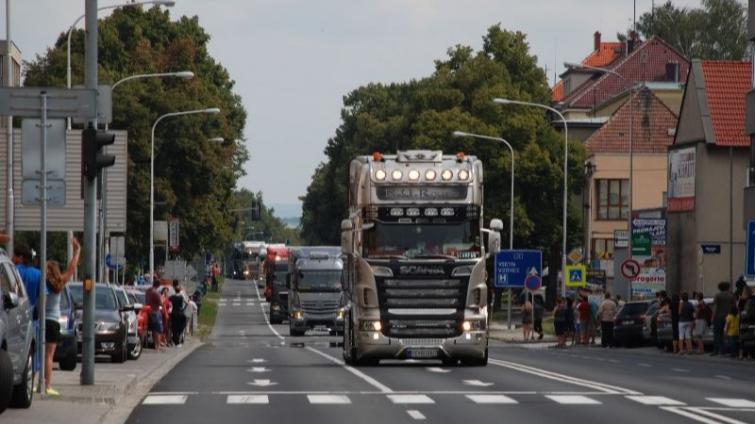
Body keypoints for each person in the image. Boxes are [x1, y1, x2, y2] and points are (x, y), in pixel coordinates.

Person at [43, 238, 80, 396]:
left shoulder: (43, 282)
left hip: (42, 320)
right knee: (50, 355)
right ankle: (47, 385)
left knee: (39, 354)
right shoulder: (60, 283)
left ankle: (36, 383)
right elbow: (71, 268)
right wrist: (77, 250)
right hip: (54, 321)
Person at [13, 244, 42, 385]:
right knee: (31, 348)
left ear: (21, 258)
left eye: (15, 255)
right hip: (31, 316)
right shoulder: (38, 274)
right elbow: (40, 297)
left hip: (14, 314)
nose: (13, 258)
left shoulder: (15, 271)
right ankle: (31, 379)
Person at [711, 282, 734, 356]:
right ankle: (727, 350)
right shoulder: (731, 296)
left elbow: (715, 307)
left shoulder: (717, 295)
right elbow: (735, 306)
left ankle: (716, 350)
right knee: (729, 333)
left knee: (717, 334)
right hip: (729, 316)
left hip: (718, 317)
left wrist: (713, 317)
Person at [145, 279, 165, 352]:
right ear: (158, 285)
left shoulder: (148, 291)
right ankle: (158, 346)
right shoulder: (156, 293)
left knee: (153, 330)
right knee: (158, 330)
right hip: (155, 311)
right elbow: (160, 303)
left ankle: (155, 345)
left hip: (149, 311)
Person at [169, 281, 187, 346]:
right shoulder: (181, 297)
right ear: (179, 291)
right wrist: (184, 308)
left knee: (174, 327)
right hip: (180, 313)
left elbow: (168, 302)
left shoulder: (171, 297)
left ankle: (174, 340)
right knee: (182, 324)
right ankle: (178, 338)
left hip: (173, 313)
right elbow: (186, 303)